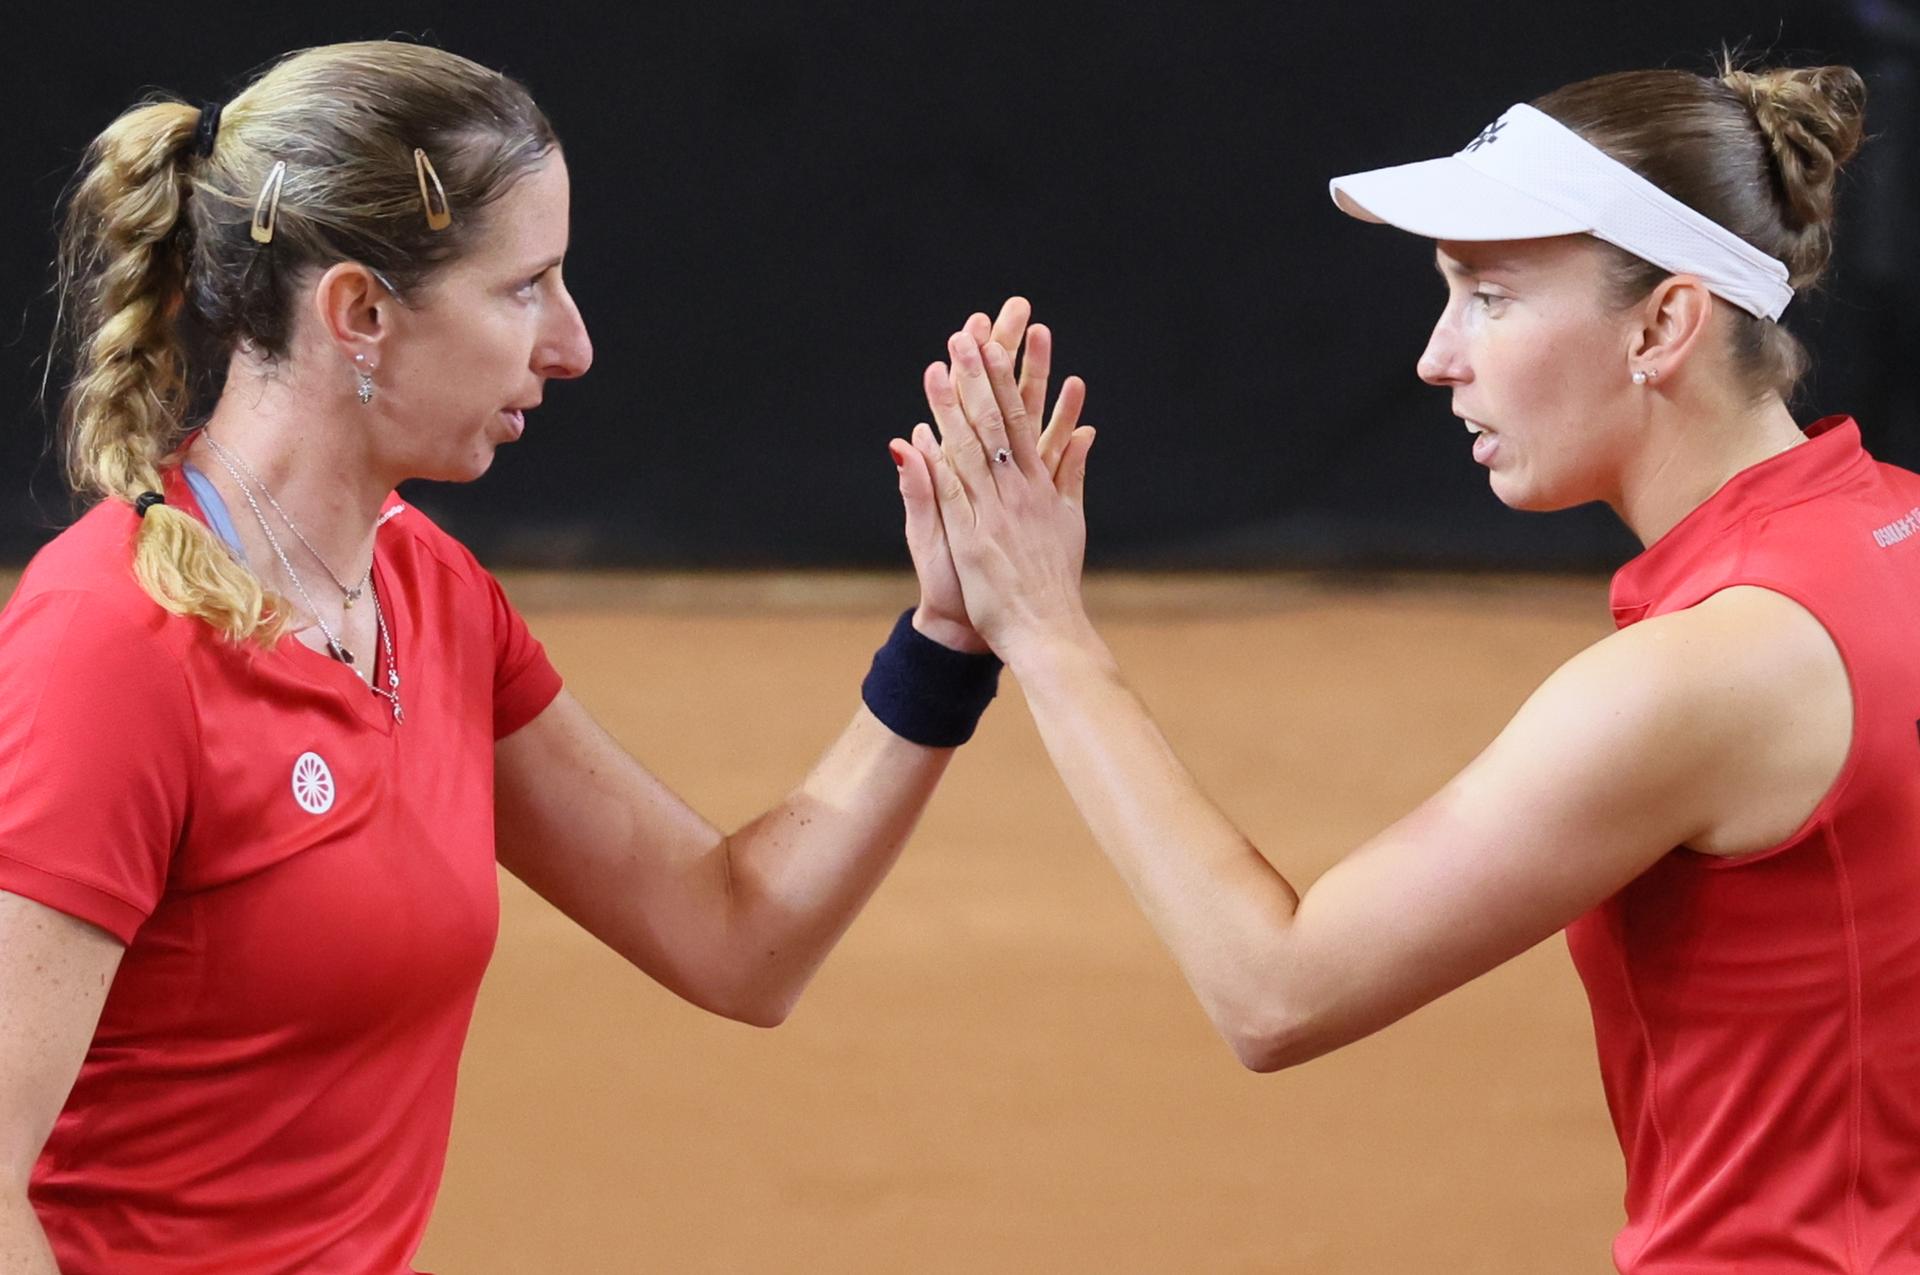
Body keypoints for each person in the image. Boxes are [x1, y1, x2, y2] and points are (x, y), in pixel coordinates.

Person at [0, 40, 1087, 1274]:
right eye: (527, 287)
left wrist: (947, 632)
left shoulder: (430, 597)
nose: (570, 345)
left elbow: (735, 937)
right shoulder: (111, 641)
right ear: (359, 312)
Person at [902, 61, 1913, 1271]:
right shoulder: (1891, 532)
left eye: (1489, 296)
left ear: (1663, 324)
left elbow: (1275, 991)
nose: (1439, 358)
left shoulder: (1698, 675)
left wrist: (1044, 627)